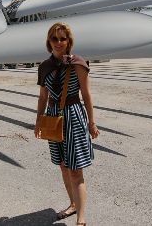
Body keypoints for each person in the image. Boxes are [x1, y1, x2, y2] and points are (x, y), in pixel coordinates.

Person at [35, 22, 100, 226]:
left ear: (69, 41)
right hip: (53, 117)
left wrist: (92, 122)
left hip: (73, 116)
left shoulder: (78, 64)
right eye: (55, 38)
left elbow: (87, 95)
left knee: (75, 170)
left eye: (63, 38)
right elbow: (43, 97)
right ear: (49, 41)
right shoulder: (44, 67)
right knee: (63, 167)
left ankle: (81, 218)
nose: (59, 42)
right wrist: (38, 121)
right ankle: (73, 204)